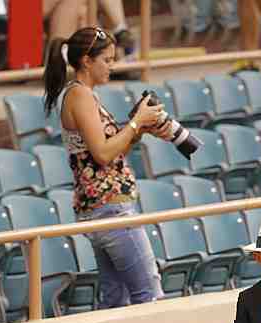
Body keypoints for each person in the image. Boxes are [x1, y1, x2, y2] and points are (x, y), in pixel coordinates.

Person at [44, 27, 172, 308]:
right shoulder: (80, 95)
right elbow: (102, 154)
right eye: (107, 60)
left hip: (101, 207)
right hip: (110, 208)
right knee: (149, 294)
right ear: (87, 61)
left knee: (116, 300)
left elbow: (110, 151)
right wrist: (136, 122)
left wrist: (139, 129)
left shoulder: (83, 95)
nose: (112, 66)